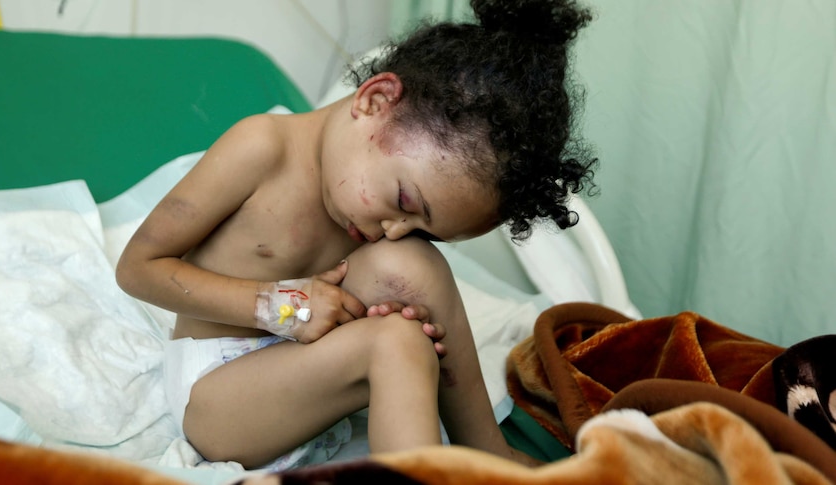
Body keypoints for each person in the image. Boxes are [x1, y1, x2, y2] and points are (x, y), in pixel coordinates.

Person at [116, 0, 596, 470]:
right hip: (217, 394)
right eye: (406, 203)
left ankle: (482, 447)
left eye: (426, 230)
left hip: (301, 363)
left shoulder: (371, 205)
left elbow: (388, 276)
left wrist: (354, 311)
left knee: (414, 272)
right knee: (396, 343)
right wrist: (287, 308)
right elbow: (138, 269)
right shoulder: (260, 148)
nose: (394, 230)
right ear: (375, 101)